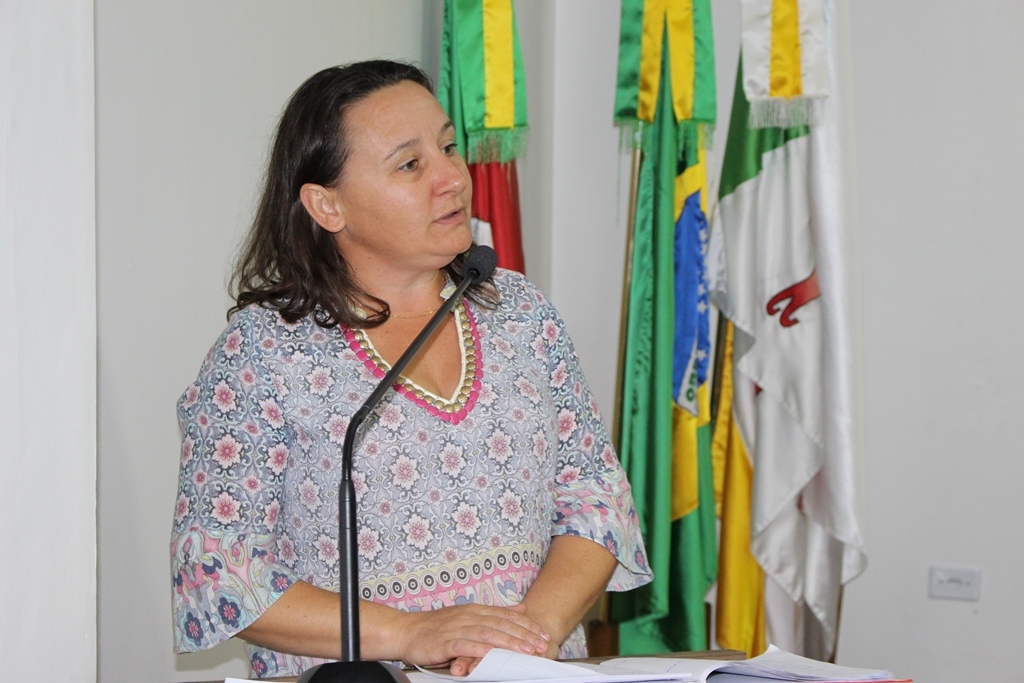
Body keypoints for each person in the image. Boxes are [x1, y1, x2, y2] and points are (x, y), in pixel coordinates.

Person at [170, 59, 651, 679]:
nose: (452, 178)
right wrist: (413, 633)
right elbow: (218, 571)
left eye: (448, 148)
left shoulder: (520, 313)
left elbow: (595, 499)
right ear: (327, 205)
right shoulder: (262, 353)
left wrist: (527, 637)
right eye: (410, 165)